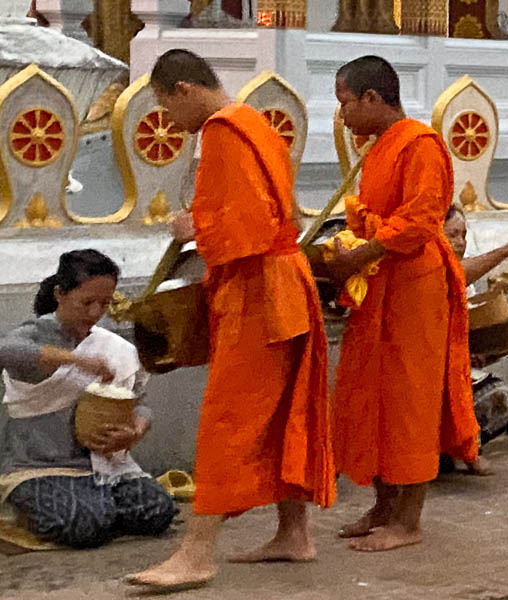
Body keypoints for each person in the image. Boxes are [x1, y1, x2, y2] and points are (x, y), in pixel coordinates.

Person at [131, 49, 335, 589]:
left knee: (229, 417)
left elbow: (248, 228)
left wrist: (193, 227)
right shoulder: (257, 124)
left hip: (259, 291)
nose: (170, 122)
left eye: (166, 107)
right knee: (282, 411)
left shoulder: (222, 131)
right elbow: (287, 215)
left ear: (184, 89)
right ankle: (294, 533)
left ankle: (197, 552)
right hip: (285, 284)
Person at [325, 55, 477, 551]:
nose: (342, 115)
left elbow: (421, 220)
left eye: (346, 102)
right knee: (374, 395)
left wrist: (360, 254)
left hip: (414, 284)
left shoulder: (420, 144)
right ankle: (383, 505)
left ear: (372, 98)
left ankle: (408, 521)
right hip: (380, 281)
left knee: (411, 400)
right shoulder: (379, 146)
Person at [1, 251, 175, 551]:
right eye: (86, 302)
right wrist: (76, 361)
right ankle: (82, 513)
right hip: (40, 465)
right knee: (86, 522)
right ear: (60, 294)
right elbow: (7, 351)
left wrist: (135, 432)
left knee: (157, 510)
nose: (95, 312)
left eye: (104, 304)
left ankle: (96, 510)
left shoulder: (111, 346)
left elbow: (140, 402)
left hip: (105, 466)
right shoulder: (37, 333)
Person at [442, 206, 508, 476]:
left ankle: (468, 451)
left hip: (457, 361)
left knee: (493, 391)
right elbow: (454, 276)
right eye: (452, 235)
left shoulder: (467, 274)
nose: (460, 242)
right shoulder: (430, 270)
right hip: (428, 363)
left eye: (463, 235)